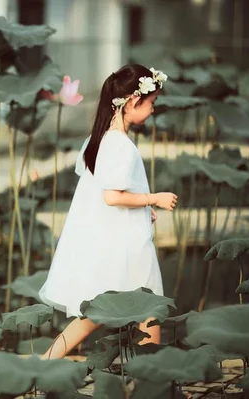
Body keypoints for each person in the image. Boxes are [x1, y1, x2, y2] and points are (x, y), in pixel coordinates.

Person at [38, 64, 178, 359]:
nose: (153, 110)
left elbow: (106, 192)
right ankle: (150, 382)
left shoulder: (99, 138)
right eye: (150, 103)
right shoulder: (120, 145)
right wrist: (154, 198)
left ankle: (43, 365)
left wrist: (142, 209)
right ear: (131, 102)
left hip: (111, 239)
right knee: (149, 308)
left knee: (95, 316)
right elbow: (112, 196)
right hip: (126, 244)